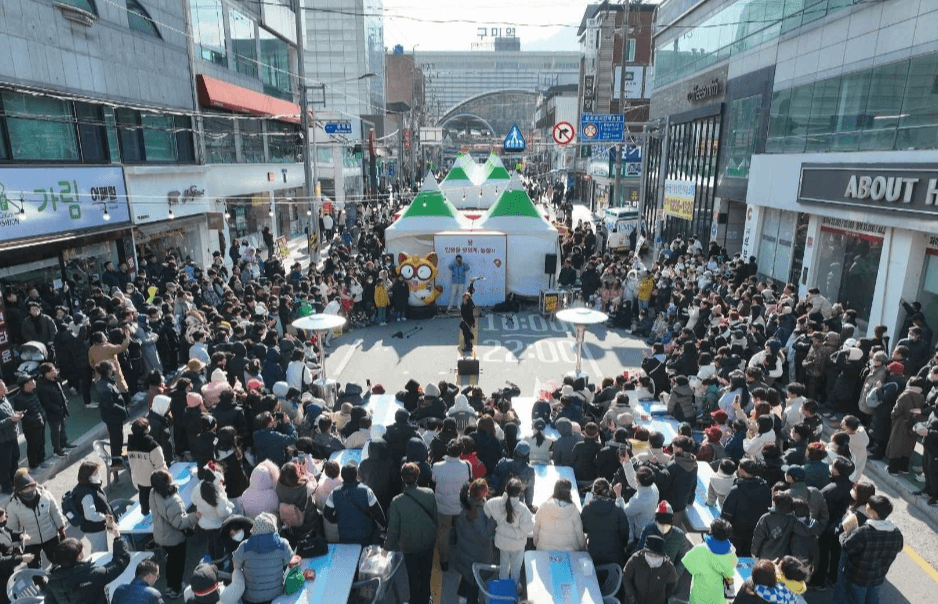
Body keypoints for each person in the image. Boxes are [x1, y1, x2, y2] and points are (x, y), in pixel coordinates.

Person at [833, 495, 904, 604]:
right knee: (873, 598)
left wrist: (845, 533)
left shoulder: (864, 532)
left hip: (857, 576)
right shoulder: (896, 532)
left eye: (868, 506)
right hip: (878, 575)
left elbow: (847, 546)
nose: (866, 506)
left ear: (873, 513)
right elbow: (899, 548)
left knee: (855, 599)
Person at [384, 463, 437, 604]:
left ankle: (415, 600)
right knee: (426, 574)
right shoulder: (429, 493)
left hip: (409, 545)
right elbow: (434, 517)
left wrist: (386, 549)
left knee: (413, 576)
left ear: (403, 478)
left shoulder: (397, 502)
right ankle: (426, 599)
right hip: (427, 541)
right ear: (417, 476)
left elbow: (393, 529)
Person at [45, 519, 130, 604]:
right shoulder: (93, 574)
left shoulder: (53, 580)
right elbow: (119, 564)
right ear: (79, 556)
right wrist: (118, 537)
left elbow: (49, 601)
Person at [150, 468, 200, 599]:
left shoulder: (153, 492)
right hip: (174, 538)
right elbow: (180, 523)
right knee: (177, 563)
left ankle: (169, 586)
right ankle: (176, 589)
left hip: (160, 535)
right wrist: (195, 516)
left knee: (171, 561)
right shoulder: (172, 501)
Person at [231, 512, 297, 604]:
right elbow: (291, 562)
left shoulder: (244, 546)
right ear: (273, 526)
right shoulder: (283, 544)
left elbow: (236, 566)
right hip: (276, 597)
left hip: (250, 599)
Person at [6, 470, 66, 567]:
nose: (30, 490)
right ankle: (39, 581)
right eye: (26, 489)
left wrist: (61, 528)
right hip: (30, 542)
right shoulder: (13, 505)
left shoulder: (46, 495)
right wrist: (16, 547)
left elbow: (55, 512)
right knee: (34, 568)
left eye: (32, 486)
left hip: (50, 535)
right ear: (19, 490)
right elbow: (12, 528)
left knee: (58, 560)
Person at [431, 439, 473, 571]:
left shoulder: (437, 466)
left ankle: (444, 561)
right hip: (460, 505)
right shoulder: (467, 465)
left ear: (447, 450)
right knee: (462, 531)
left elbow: (433, 481)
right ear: (461, 451)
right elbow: (469, 480)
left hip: (443, 506)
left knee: (443, 532)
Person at [484, 477, 534, 584]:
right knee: (516, 568)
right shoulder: (523, 509)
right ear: (520, 492)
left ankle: (503, 588)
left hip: (502, 543)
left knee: (504, 565)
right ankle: (514, 590)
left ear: (505, 488)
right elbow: (529, 528)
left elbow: (486, 510)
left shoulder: (494, 502)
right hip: (518, 545)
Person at [454, 479, 496, 604]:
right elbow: (485, 532)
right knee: (474, 582)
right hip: (477, 554)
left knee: (467, 575)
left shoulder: (466, 504)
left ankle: (462, 596)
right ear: (485, 492)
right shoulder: (480, 511)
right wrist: (493, 520)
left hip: (465, 550)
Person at [323, 463, 387, 546]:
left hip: (345, 536)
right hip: (366, 536)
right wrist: (383, 528)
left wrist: (338, 519)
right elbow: (378, 513)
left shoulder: (334, 493)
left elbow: (327, 514)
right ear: (356, 475)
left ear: (342, 476)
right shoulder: (366, 491)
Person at [682, 517, 739, 604]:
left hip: (699, 598)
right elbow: (731, 571)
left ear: (710, 531)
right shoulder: (731, 552)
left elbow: (687, 565)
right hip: (719, 599)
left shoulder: (699, 550)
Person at [581, 478, 630, 566]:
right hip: (615, 558)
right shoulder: (618, 509)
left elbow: (584, 528)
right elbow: (625, 534)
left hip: (593, 557)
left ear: (593, 491)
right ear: (609, 491)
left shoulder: (587, 509)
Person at [193, 464, 235, 561]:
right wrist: (230, 509)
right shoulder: (218, 495)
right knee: (219, 544)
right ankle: (219, 564)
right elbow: (223, 513)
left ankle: (212, 560)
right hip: (217, 523)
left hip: (205, 522)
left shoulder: (198, 488)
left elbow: (194, 500)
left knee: (211, 542)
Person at [126, 418, 168, 517]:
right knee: (159, 509)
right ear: (146, 429)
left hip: (139, 480)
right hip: (154, 482)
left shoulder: (130, 445)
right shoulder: (152, 445)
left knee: (145, 508)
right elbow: (161, 466)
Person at [622, 534, 679, 604]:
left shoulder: (668, 566)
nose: (652, 557)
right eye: (650, 554)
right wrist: (630, 595)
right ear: (644, 552)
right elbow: (626, 576)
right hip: (636, 600)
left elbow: (673, 583)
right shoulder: (635, 559)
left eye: (656, 555)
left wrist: (664, 596)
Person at [72, 461, 113, 554]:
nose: (98, 475)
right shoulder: (86, 494)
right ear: (88, 476)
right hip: (95, 529)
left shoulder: (90, 486)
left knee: (100, 550)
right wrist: (105, 517)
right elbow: (90, 515)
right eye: (95, 473)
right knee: (100, 553)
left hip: (98, 527)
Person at [533, 479, 586, 552]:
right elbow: (579, 534)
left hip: (544, 550)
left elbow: (536, 528)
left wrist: (536, 543)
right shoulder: (574, 511)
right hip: (569, 552)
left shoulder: (544, 506)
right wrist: (583, 548)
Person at [36, 362, 73, 458]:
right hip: (53, 413)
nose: (55, 371)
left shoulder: (54, 380)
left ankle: (64, 443)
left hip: (61, 410)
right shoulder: (42, 386)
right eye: (52, 370)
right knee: (56, 431)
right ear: (46, 374)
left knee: (62, 428)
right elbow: (46, 403)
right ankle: (57, 449)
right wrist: (57, 409)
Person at [96, 360, 129, 464]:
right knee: (115, 439)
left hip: (115, 417)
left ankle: (119, 455)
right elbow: (109, 405)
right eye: (113, 368)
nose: (114, 369)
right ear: (109, 370)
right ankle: (116, 461)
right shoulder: (105, 386)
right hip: (112, 417)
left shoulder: (108, 382)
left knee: (118, 437)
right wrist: (123, 410)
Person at [12, 374, 47, 469]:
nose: (34, 383)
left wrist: (42, 416)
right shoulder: (19, 398)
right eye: (31, 382)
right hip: (31, 426)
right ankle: (34, 465)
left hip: (41, 422)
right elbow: (20, 415)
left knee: (41, 442)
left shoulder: (34, 391)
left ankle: (42, 460)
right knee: (33, 446)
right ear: (26, 385)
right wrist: (34, 420)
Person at [0, 380, 22, 494]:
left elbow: (10, 413)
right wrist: (10, 419)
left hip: (12, 436)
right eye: (4, 387)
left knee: (15, 458)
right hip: (3, 441)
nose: (7, 388)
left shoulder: (4, 399)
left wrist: (16, 415)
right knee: (5, 464)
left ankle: (15, 482)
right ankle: (6, 486)